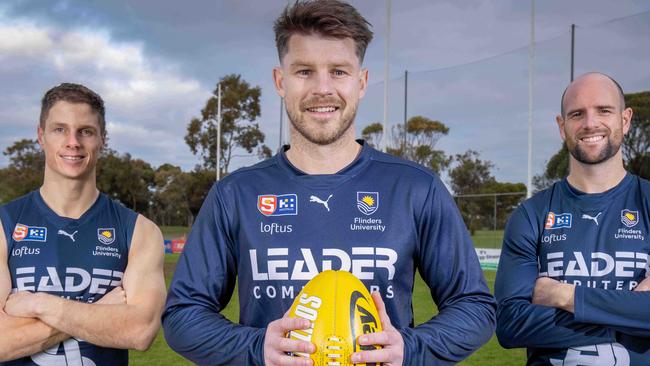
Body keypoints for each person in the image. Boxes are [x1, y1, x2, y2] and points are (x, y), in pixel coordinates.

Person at [163, 1, 495, 365]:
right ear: (280, 80)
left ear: (361, 82)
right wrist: (256, 347)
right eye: (304, 71)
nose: (323, 89)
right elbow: (183, 315)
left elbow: (474, 306)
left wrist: (409, 350)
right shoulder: (235, 194)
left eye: (338, 71)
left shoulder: (416, 188)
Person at [0, 83, 166, 365]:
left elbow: (139, 330)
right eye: (59, 129)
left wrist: (40, 304)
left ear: (103, 138)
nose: (73, 142)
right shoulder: (4, 225)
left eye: (86, 131)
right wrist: (99, 311)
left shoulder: (139, 230)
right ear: (41, 136)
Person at [495, 72, 650, 365]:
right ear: (562, 126)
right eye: (577, 114)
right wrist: (632, 313)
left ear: (625, 119)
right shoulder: (531, 215)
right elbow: (510, 325)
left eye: (604, 110)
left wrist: (566, 296)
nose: (590, 123)